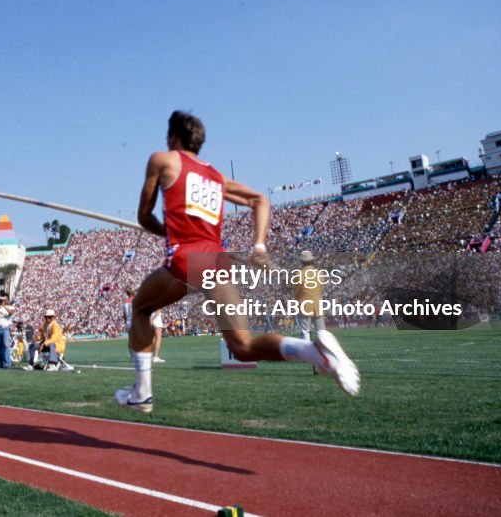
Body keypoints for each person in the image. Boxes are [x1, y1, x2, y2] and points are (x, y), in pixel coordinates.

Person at [115, 111, 359, 413]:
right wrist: (259, 245)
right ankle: (314, 352)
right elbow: (261, 200)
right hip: (216, 262)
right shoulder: (216, 177)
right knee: (242, 347)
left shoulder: (163, 161)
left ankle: (142, 393)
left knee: (140, 307)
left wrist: (166, 230)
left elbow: (143, 216)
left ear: (173, 137)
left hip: (188, 259)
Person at [293, 250, 326, 340]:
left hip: (304, 305)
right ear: (312, 260)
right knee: (321, 331)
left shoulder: (299, 274)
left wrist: (297, 300)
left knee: (305, 332)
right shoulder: (319, 273)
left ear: (302, 262)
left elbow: (296, 291)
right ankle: (323, 351)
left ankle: (305, 352)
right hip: (317, 305)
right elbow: (321, 289)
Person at [0, 293, 15, 369]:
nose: (3, 300)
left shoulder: (10, 306)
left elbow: (11, 313)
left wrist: (3, 306)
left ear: (8, 299)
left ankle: (7, 363)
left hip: (5, 328)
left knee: (6, 346)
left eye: (5, 299)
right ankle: (1, 362)